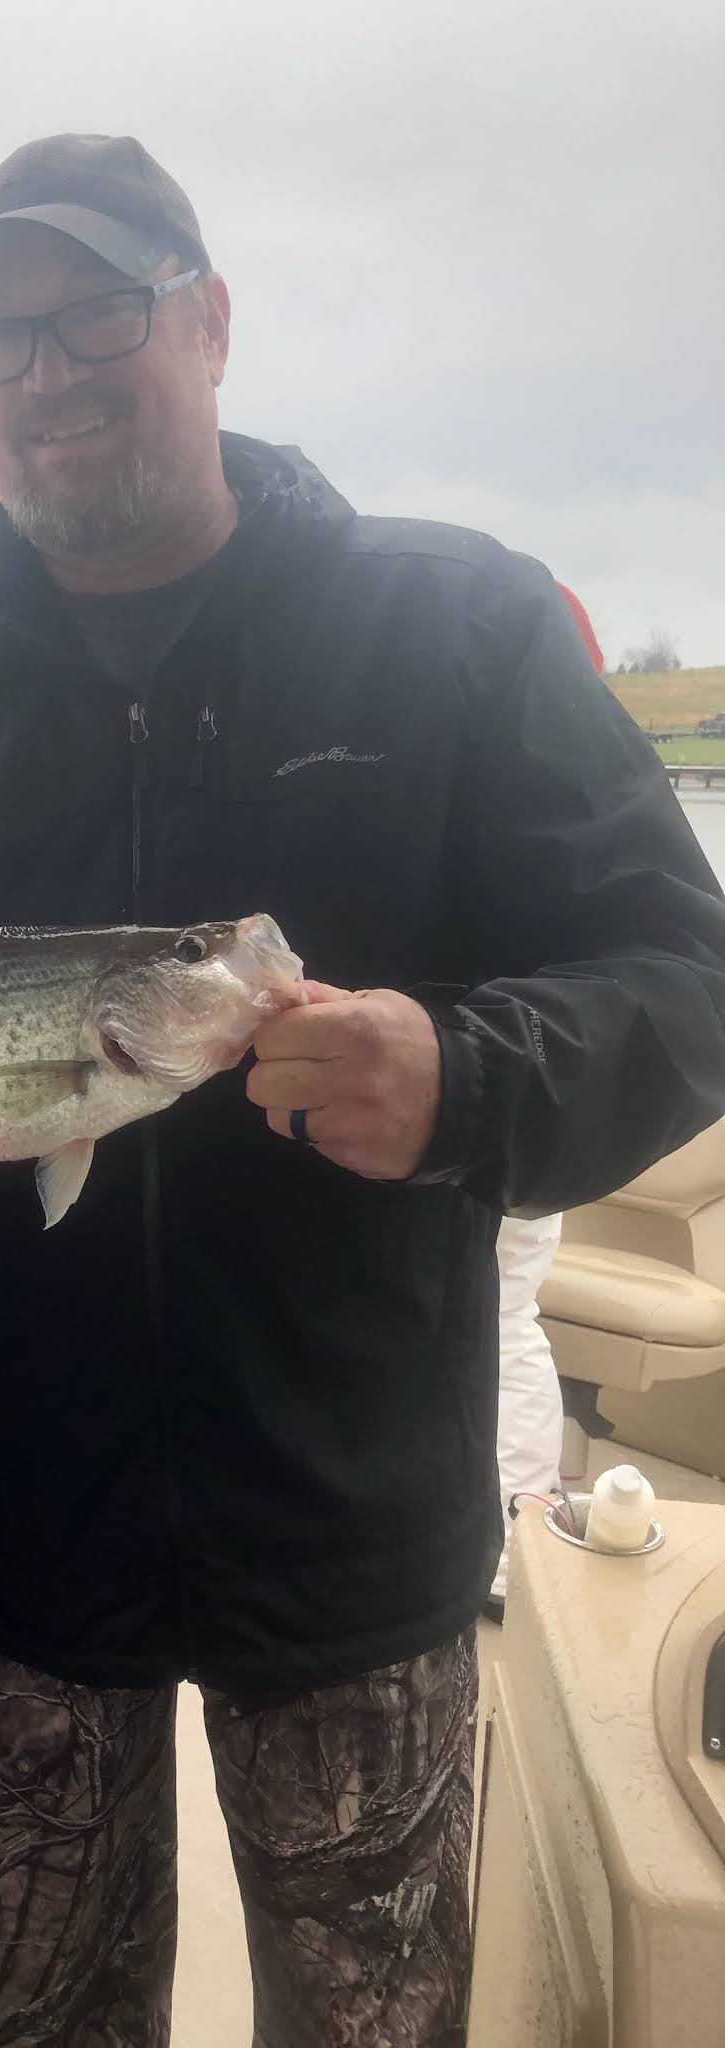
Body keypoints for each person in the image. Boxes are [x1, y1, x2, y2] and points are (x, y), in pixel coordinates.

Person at [0, 134, 725, 2046]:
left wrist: (471, 1078)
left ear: (215, 323)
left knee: (370, 2022)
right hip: (10, 1561)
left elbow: (684, 978)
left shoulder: (457, 631)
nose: (50, 371)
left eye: (97, 308)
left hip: (351, 1545)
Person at [486, 581, 608, 1624]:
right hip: (528, 1100)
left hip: (503, 1108)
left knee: (503, 1315)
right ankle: (522, 1518)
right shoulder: (579, 821)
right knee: (509, 1315)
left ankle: (516, 1528)